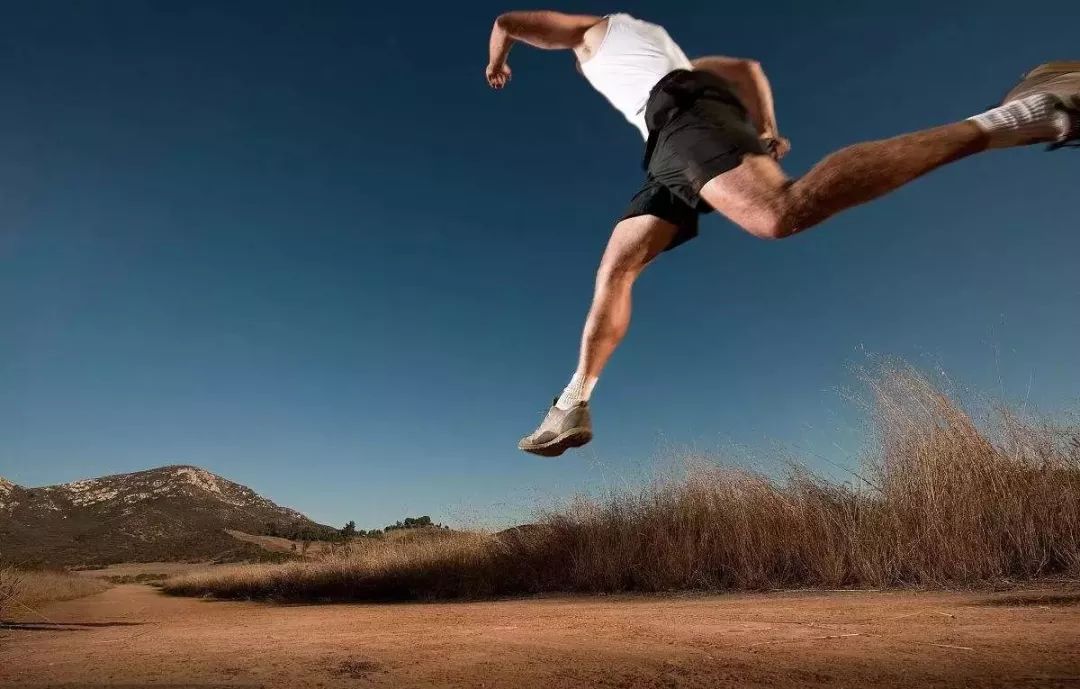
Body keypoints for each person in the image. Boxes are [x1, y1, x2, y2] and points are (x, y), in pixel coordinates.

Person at [485, 11, 1078, 457]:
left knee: (776, 212)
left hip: (679, 113)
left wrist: (498, 57)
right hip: (666, 136)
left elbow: (508, 20)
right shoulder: (679, 58)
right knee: (618, 264)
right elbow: (748, 68)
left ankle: (1030, 112)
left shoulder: (597, 32)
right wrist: (767, 126)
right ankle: (572, 403)